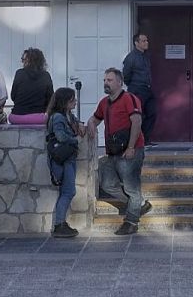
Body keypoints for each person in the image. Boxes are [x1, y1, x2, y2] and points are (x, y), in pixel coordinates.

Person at [87, 68, 146, 236]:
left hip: (130, 151)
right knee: (107, 184)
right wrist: (91, 123)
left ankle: (131, 222)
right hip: (112, 153)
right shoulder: (104, 102)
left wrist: (131, 147)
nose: (106, 83)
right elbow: (95, 118)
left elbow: (137, 122)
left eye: (110, 80)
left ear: (120, 82)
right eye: (105, 80)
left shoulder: (130, 99)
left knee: (131, 187)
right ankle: (138, 205)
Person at [46, 87, 84, 239]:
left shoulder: (67, 115)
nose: (75, 102)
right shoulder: (58, 117)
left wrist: (80, 124)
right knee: (68, 191)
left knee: (66, 191)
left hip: (67, 158)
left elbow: (75, 122)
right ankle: (59, 224)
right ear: (65, 102)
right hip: (63, 159)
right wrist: (76, 140)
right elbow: (61, 137)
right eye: (72, 100)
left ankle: (60, 223)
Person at [122, 33, 157, 146]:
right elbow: (126, 75)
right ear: (136, 43)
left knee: (152, 112)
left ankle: (145, 139)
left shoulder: (145, 56)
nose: (146, 43)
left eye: (146, 40)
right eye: (143, 41)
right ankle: (137, 141)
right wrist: (133, 86)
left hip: (147, 89)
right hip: (137, 89)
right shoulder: (131, 58)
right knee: (138, 115)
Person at [9, 47, 53, 125]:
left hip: (17, 117)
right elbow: (51, 98)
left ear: (28, 61)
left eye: (23, 60)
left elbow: (13, 96)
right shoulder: (46, 75)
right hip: (38, 117)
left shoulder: (19, 73)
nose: (22, 62)